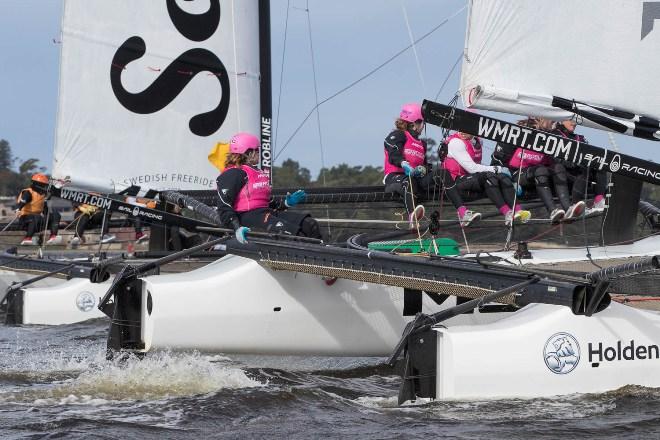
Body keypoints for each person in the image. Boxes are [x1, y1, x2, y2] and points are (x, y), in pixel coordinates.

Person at [383, 103, 480, 227]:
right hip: (394, 178)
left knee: (442, 174)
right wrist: (404, 164)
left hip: (415, 179)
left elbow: (424, 165)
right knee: (409, 181)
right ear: (414, 123)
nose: (423, 126)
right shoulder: (398, 135)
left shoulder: (422, 143)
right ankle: (412, 217)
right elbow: (393, 154)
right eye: (422, 122)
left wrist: (424, 169)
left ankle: (463, 213)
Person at [216, 132, 323, 243]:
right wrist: (236, 228)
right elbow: (224, 206)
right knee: (292, 233)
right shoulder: (234, 173)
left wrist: (287, 203)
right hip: (248, 217)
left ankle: (322, 253)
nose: (259, 153)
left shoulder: (256, 172)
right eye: (257, 150)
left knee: (310, 224)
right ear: (248, 152)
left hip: (266, 213)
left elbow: (267, 202)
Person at [443, 131, 531, 226]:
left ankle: (518, 210)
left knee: (501, 177)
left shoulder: (478, 141)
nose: (461, 131)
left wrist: (511, 180)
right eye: (458, 128)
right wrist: (497, 169)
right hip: (456, 181)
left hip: (471, 178)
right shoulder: (456, 142)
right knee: (490, 175)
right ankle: (507, 213)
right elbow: (472, 168)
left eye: (466, 127)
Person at [506, 118, 584, 223]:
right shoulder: (522, 132)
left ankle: (568, 209)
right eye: (552, 121)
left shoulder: (551, 137)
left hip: (539, 175)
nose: (554, 123)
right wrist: (508, 180)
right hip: (519, 175)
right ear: (542, 119)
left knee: (558, 167)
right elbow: (502, 160)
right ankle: (552, 211)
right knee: (541, 170)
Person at [554, 119, 607, 215]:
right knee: (582, 167)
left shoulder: (580, 138)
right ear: (561, 120)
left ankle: (599, 200)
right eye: (571, 120)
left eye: (575, 121)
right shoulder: (555, 134)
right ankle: (575, 203)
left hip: (581, 171)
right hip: (564, 172)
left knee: (600, 165)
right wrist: (572, 163)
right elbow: (554, 157)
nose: (574, 123)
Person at [15, 173, 62, 245]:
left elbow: (47, 210)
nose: (43, 187)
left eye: (44, 185)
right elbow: (21, 203)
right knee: (35, 217)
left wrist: (52, 218)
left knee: (56, 214)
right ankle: (27, 238)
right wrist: (18, 209)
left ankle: (53, 237)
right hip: (25, 220)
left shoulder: (43, 195)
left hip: (38, 221)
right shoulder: (28, 192)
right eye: (41, 185)